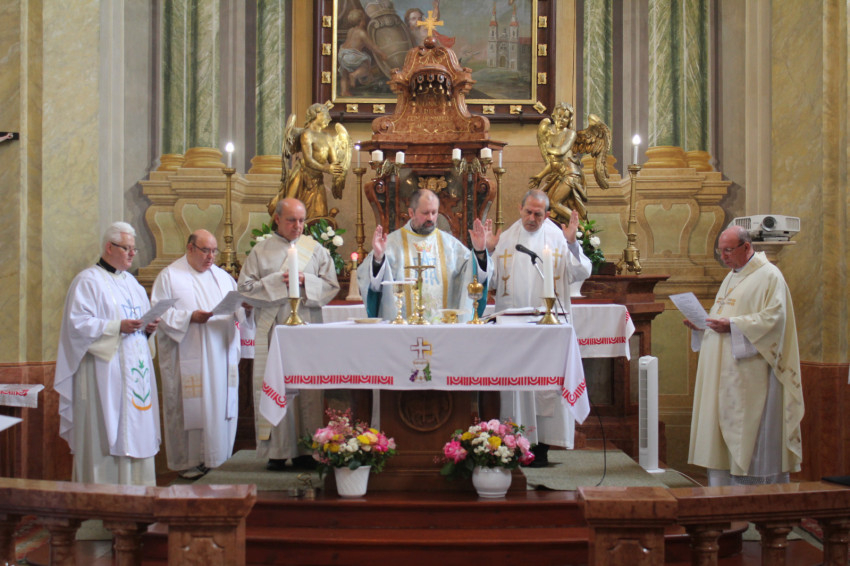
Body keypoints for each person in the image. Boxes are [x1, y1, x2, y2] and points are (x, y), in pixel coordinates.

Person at [684, 225, 804, 486]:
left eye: (728, 250)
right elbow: (723, 317)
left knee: (749, 436)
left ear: (746, 247)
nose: (723, 257)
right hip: (725, 372)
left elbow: (776, 319)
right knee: (723, 441)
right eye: (721, 251)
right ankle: (722, 496)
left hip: (751, 374)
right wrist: (703, 325)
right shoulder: (732, 277)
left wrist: (734, 326)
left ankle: (752, 497)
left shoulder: (769, 276)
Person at [487, 189, 591, 466]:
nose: (532, 218)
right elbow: (491, 281)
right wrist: (487, 251)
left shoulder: (558, 237)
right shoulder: (506, 238)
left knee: (546, 387)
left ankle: (542, 447)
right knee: (516, 386)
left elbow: (581, 272)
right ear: (520, 209)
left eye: (538, 214)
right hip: (513, 328)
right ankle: (513, 444)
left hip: (548, 325)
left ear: (547, 214)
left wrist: (572, 244)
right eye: (528, 212)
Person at [54, 222, 161, 486]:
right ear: (109, 247)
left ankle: (139, 492)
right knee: (106, 430)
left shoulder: (133, 284)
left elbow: (140, 327)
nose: (132, 254)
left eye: (134, 249)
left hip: (135, 373)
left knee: (137, 430)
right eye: (126, 248)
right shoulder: (88, 281)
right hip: (103, 373)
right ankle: (104, 494)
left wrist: (148, 329)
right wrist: (117, 326)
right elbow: (77, 325)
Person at [238, 198, 340, 470]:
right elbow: (245, 289)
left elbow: (332, 286)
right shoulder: (260, 251)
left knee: (307, 388)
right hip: (275, 329)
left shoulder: (315, 250)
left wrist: (308, 282)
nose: (298, 226)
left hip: (307, 328)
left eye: (302, 220)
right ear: (277, 220)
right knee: (277, 384)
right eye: (291, 220)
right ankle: (278, 451)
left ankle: (308, 449)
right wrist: (275, 282)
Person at [152, 230, 250, 479]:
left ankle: (218, 459)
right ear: (190, 248)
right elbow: (159, 313)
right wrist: (190, 317)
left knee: (218, 407)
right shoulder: (170, 276)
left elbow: (237, 314)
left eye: (214, 251)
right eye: (205, 250)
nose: (211, 257)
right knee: (192, 407)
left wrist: (243, 309)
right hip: (189, 355)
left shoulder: (223, 278)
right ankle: (190, 462)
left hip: (220, 356)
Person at [357, 188, 491, 324]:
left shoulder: (450, 245)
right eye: (425, 213)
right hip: (403, 329)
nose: (430, 218)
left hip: (443, 328)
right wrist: (378, 259)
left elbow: (474, 277)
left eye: (434, 212)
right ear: (411, 213)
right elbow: (372, 285)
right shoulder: (392, 244)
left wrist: (479, 252)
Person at [271, 103, 350, 220]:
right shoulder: (307, 134)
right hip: (302, 178)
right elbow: (308, 160)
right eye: (325, 114)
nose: (329, 118)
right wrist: (327, 169)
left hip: (318, 180)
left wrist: (339, 169)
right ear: (315, 114)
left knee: (320, 214)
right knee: (291, 211)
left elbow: (333, 161)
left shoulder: (328, 137)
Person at [338, 9, 387, 97]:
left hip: (342, 54)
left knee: (344, 74)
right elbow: (372, 47)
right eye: (364, 20)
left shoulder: (350, 30)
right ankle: (354, 75)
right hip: (352, 55)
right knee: (365, 67)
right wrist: (382, 54)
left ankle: (344, 91)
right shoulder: (362, 33)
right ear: (361, 21)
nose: (364, 22)